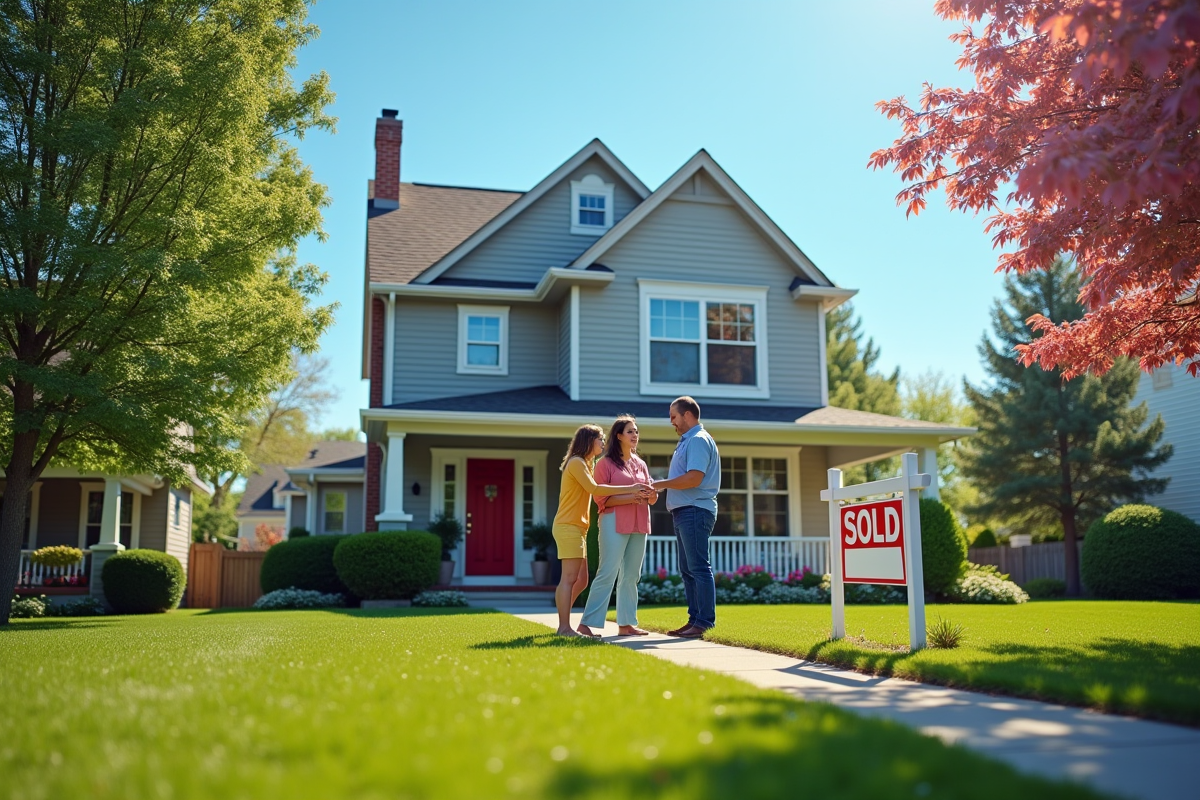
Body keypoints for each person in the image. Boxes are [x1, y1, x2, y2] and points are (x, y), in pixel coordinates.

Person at [552, 424, 651, 637]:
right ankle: (564, 627)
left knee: (582, 580)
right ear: (589, 440)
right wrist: (631, 489)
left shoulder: (588, 463)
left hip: (580, 526)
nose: (603, 444)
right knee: (569, 579)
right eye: (600, 439)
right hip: (568, 525)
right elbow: (596, 490)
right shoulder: (578, 463)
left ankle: (567, 622)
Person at [577, 416, 657, 638]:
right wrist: (631, 496)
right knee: (608, 571)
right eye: (630, 431)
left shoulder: (640, 464)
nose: (635, 435)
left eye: (637, 431)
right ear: (619, 435)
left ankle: (627, 624)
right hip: (613, 522)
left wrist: (651, 494)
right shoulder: (605, 464)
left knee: (632, 575)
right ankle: (586, 623)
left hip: (640, 524)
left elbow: (651, 499)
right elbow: (602, 501)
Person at [651, 396, 720, 639]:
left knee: (698, 568)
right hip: (685, 511)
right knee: (688, 570)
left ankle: (704, 622)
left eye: (673, 416)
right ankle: (694, 620)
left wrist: (660, 484)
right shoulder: (687, 441)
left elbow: (694, 478)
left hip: (694, 510)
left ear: (687, 415)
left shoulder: (698, 440)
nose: (671, 422)